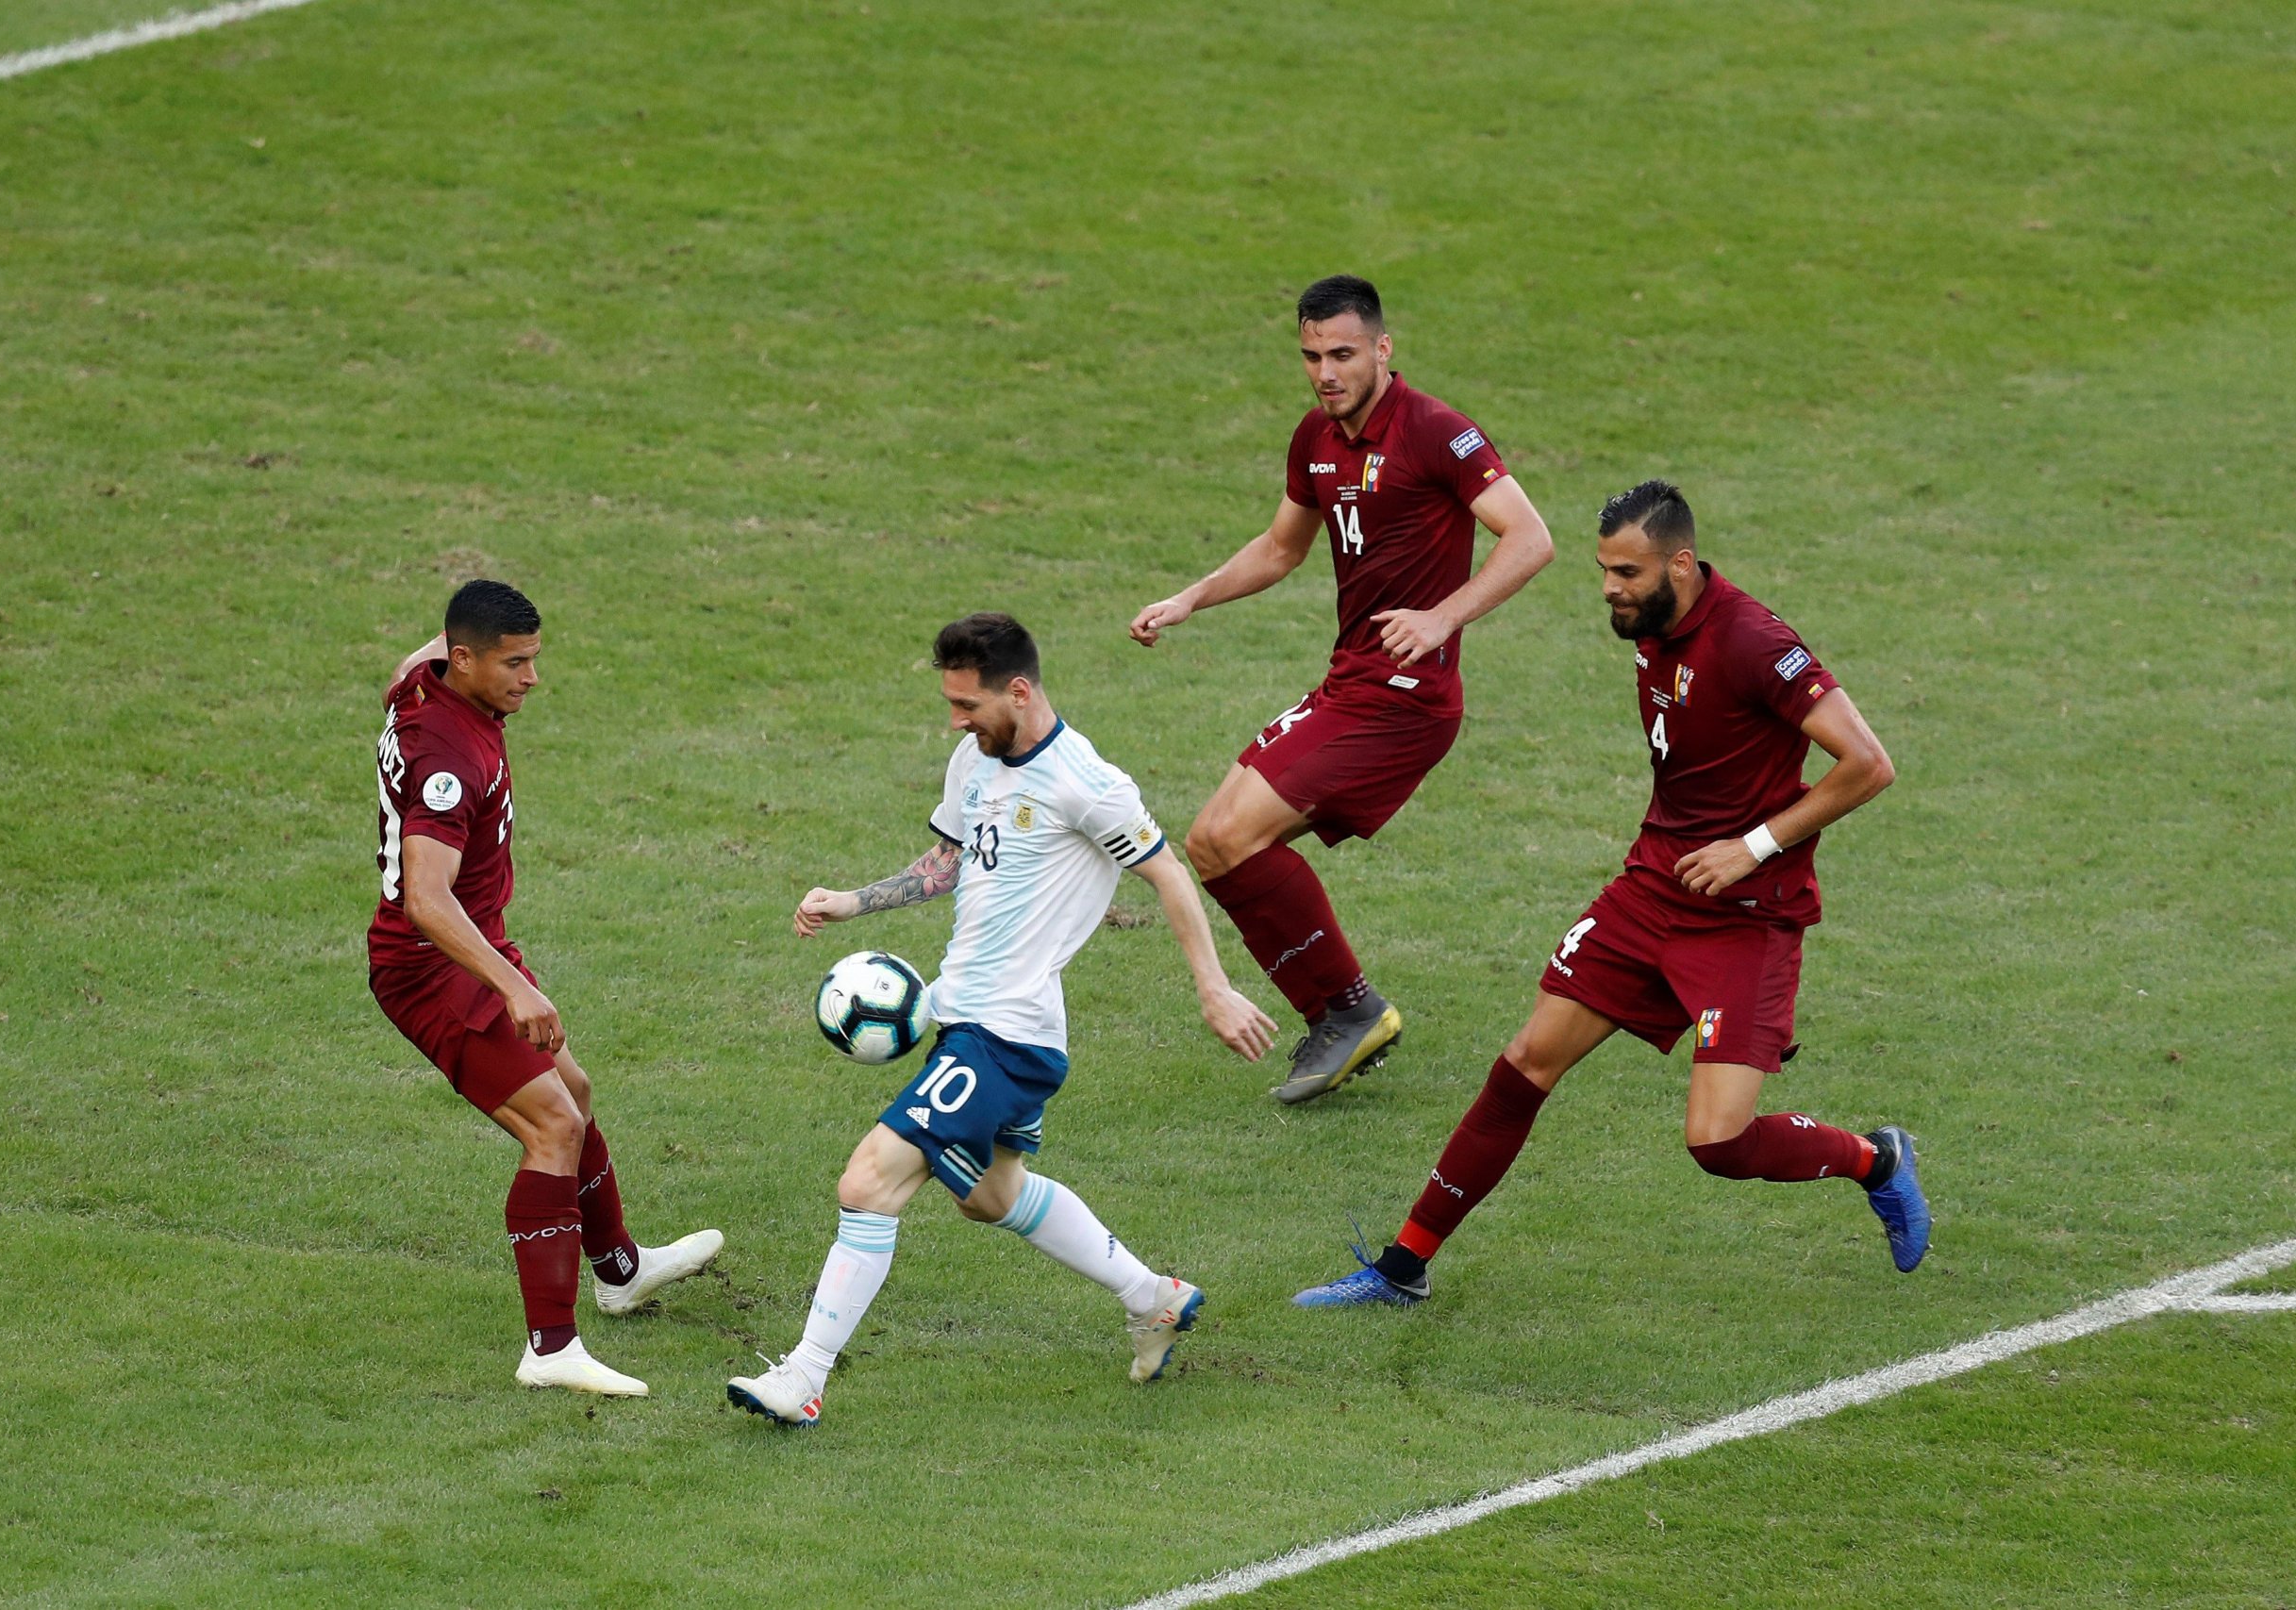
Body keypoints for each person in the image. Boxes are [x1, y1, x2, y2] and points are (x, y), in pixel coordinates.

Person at [1292, 481, 1930, 1307]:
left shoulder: (1754, 640)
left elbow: (1869, 763)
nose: (1608, 589)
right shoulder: (1657, 623)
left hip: (1746, 914)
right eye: (1603, 570)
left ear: (1682, 563)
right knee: (1526, 1060)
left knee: (1717, 1139)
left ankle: (1877, 1158)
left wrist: (1753, 846)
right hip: (1653, 888)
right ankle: (1402, 1265)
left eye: (1627, 572)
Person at [726, 613, 1275, 1429]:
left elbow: (1169, 876)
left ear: (1018, 691)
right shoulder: (974, 758)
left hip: (1007, 1033)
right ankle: (1152, 1296)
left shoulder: (1086, 782)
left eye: (967, 704)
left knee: (869, 1181)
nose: (955, 720)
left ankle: (805, 1376)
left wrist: (1213, 987)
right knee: (990, 1193)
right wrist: (854, 900)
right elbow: (950, 861)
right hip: (970, 1022)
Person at [1130, 274, 1555, 1104]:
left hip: (1406, 700)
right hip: (1351, 683)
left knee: (1227, 836)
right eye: (1312, 356)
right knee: (1215, 842)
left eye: (1343, 354)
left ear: (1383, 349)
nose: (1326, 372)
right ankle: (1345, 1011)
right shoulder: (1316, 439)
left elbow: (1531, 538)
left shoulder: (1439, 432)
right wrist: (1191, 597)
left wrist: (1440, 619)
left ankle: (1347, 1010)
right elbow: (1283, 547)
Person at [368, 579, 724, 1395]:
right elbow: (426, 898)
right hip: (433, 970)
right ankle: (551, 1348)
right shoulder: (447, 762)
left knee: (576, 1087)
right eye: (515, 662)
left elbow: (417, 651)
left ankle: (621, 1269)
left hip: (475, 949)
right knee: (553, 1127)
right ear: (465, 661)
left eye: (533, 658)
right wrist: (515, 990)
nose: (532, 678)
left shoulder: (422, 677)